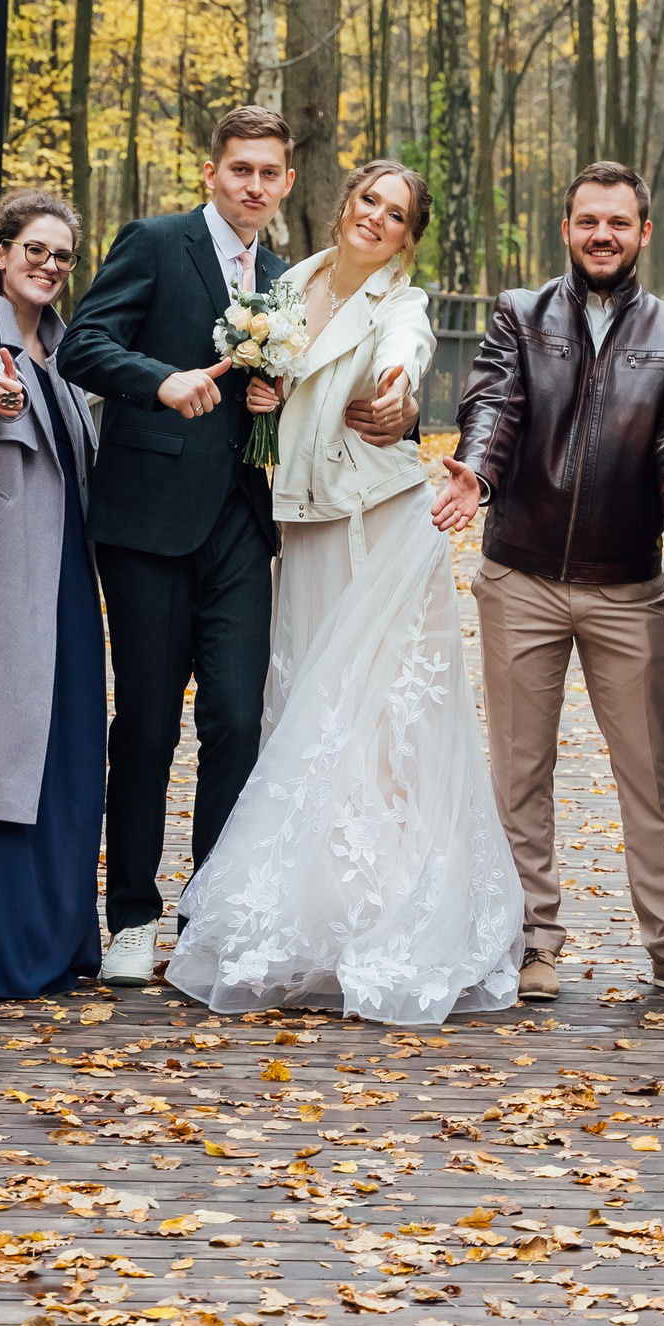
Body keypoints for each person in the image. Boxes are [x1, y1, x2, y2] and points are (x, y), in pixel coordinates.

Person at [60, 106, 419, 986]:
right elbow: (84, 344)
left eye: (269, 173)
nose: (254, 185)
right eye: (239, 170)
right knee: (147, 724)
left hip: (247, 525)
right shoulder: (155, 242)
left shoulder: (286, 276)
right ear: (212, 173)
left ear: (288, 183)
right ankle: (133, 916)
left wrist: (273, 401)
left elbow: (328, 370)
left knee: (235, 720)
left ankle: (209, 916)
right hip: (149, 523)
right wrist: (160, 381)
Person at [168, 161, 518, 1025]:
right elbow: (277, 385)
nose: (376, 218)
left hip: (379, 526)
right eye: (368, 200)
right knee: (309, 716)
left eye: (396, 215)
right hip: (300, 528)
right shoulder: (289, 285)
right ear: (345, 205)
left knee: (387, 725)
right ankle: (320, 921)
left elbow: (405, 353)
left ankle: (391, 919)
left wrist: (397, 392)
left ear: (408, 238)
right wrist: (267, 396)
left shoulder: (403, 303)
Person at [432, 160, 664, 1007]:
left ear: (644, 233)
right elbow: (493, 407)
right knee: (519, 772)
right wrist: (478, 475)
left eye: (618, 222)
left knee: (650, 771)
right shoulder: (519, 314)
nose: (603, 235)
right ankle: (530, 942)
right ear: (566, 229)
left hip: (626, 582)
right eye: (588, 221)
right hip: (519, 575)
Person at [0, 191, 106, 997]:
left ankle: (60, 941)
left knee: (68, 755)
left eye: (62, 255)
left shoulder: (68, 351)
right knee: (4, 760)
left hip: (69, 573)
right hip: (4, 577)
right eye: (34, 249)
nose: (49, 265)